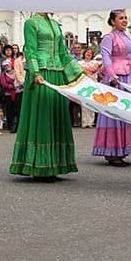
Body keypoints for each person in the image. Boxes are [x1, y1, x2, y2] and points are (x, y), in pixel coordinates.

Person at [10, 12, 82, 178]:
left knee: (56, 115)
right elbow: (30, 50)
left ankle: (55, 164)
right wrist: (34, 72)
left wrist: (78, 74)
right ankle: (39, 165)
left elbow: (63, 53)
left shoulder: (56, 24)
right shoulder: (31, 23)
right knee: (43, 117)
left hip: (57, 74)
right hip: (41, 75)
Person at [93, 10, 131, 166]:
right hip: (117, 80)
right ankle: (112, 152)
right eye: (121, 18)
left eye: (126, 18)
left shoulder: (127, 38)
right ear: (113, 21)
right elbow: (106, 59)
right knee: (116, 112)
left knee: (127, 112)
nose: (125, 21)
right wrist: (112, 76)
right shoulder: (108, 38)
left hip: (129, 77)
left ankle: (122, 150)